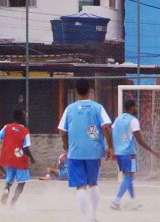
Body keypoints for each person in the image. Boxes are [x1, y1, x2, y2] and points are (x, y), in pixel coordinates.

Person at [59, 78, 114, 222]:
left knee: (80, 186)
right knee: (93, 183)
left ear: (76, 91)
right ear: (90, 91)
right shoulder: (98, 108)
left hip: (75, 152)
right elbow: (106, 127)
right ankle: (94, 216)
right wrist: (110, 147)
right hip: (94, 152)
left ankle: (83, 218)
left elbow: (62, 131)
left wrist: (66, 146)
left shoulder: (69, 109)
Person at [110, 99, 159, 211]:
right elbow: (140, 140)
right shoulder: (133, 121)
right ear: (131, 107)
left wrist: (113, 149)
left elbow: (113, 134)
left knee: (128, 177)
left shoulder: (118, 119)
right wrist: (152, 151)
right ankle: (116, 201)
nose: (137, 109)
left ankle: (132, 200)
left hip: (119, 153)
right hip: (129, 154)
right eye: (136, 107)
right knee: (128, 178)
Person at [0, 110, 35, 207]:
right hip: (20, 159)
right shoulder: (25, 130)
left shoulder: (7, 127)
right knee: (21, 182)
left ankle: (6, 189)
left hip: (9, 158)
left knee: (9, 179)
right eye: (24, 116)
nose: (25, 117)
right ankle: (13, 201)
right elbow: (25, 147)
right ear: (21, 118)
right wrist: (31, 157)